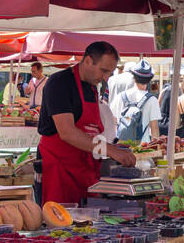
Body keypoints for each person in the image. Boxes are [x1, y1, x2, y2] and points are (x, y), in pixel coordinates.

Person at [37, 41, 136, 203]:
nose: (105, 78)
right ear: (88, 60)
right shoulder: (59, 83)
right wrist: (110, 150)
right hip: (59, 170)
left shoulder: (91, 88)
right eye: (103, 71)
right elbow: (67, 132)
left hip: (85, 170)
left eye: (109, 73)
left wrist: (115, 148)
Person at [115, 61, 161, 144]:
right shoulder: (152, 100)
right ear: (149, 80)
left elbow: (114, 122)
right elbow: (154, 128)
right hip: (142, 147)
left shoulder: (121, 96)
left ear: (133, 77)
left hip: (121, 146)